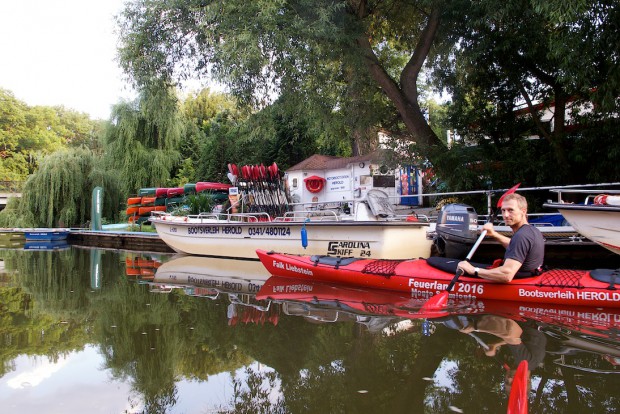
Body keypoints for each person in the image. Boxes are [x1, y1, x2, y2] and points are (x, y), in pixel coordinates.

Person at [458, 193, 545, 282]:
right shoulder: (532, 231)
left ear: (523, 211)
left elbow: (506, 275)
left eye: (510, 210)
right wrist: (494, 234)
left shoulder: (521, 236)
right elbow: (515, 247)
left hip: (520, 284)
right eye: (503, 210)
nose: (506, 215)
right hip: (531, 275)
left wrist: (473, 270)